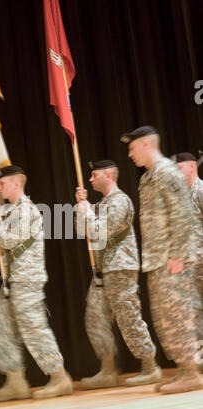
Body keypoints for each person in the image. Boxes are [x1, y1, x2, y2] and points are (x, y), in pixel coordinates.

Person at [121, 126, 203, 394]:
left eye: (133, 148)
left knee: (178, 315)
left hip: (172, 259)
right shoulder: (148, 177)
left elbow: (182, 214)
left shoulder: (167, 172)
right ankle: (183, 369)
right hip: (158, 259)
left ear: (146, 144)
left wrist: (178, 254)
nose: (130, 154)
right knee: (165, 317)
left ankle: (191, 373)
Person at [0, 165, 73, 401]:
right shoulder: (10, 211)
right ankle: (15, 382)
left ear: (16, 183)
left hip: (27, 279)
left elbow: (7, 240)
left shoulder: (27, 211)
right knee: (2, 330)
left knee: (34, 329)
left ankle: (59, 377)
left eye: (2, 183)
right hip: (13, 280)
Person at [75, 160, 161, 389]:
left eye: (94, 175)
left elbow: (100, 231)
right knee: (95, 318)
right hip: (104, 269)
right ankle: (108, 370)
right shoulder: (103, 203)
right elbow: (80, 229)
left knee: (128, 318)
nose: (90, 180)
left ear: (109, 175)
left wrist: (88, 213)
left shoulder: (120, 201)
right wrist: (81, 207)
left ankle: (150, 367)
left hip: (120, 267)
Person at [172, 152, 203, 350]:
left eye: (179, 168)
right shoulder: (180, 197)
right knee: (194, 311)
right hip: (190, 266)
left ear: (192, 166)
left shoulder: (201, 190)